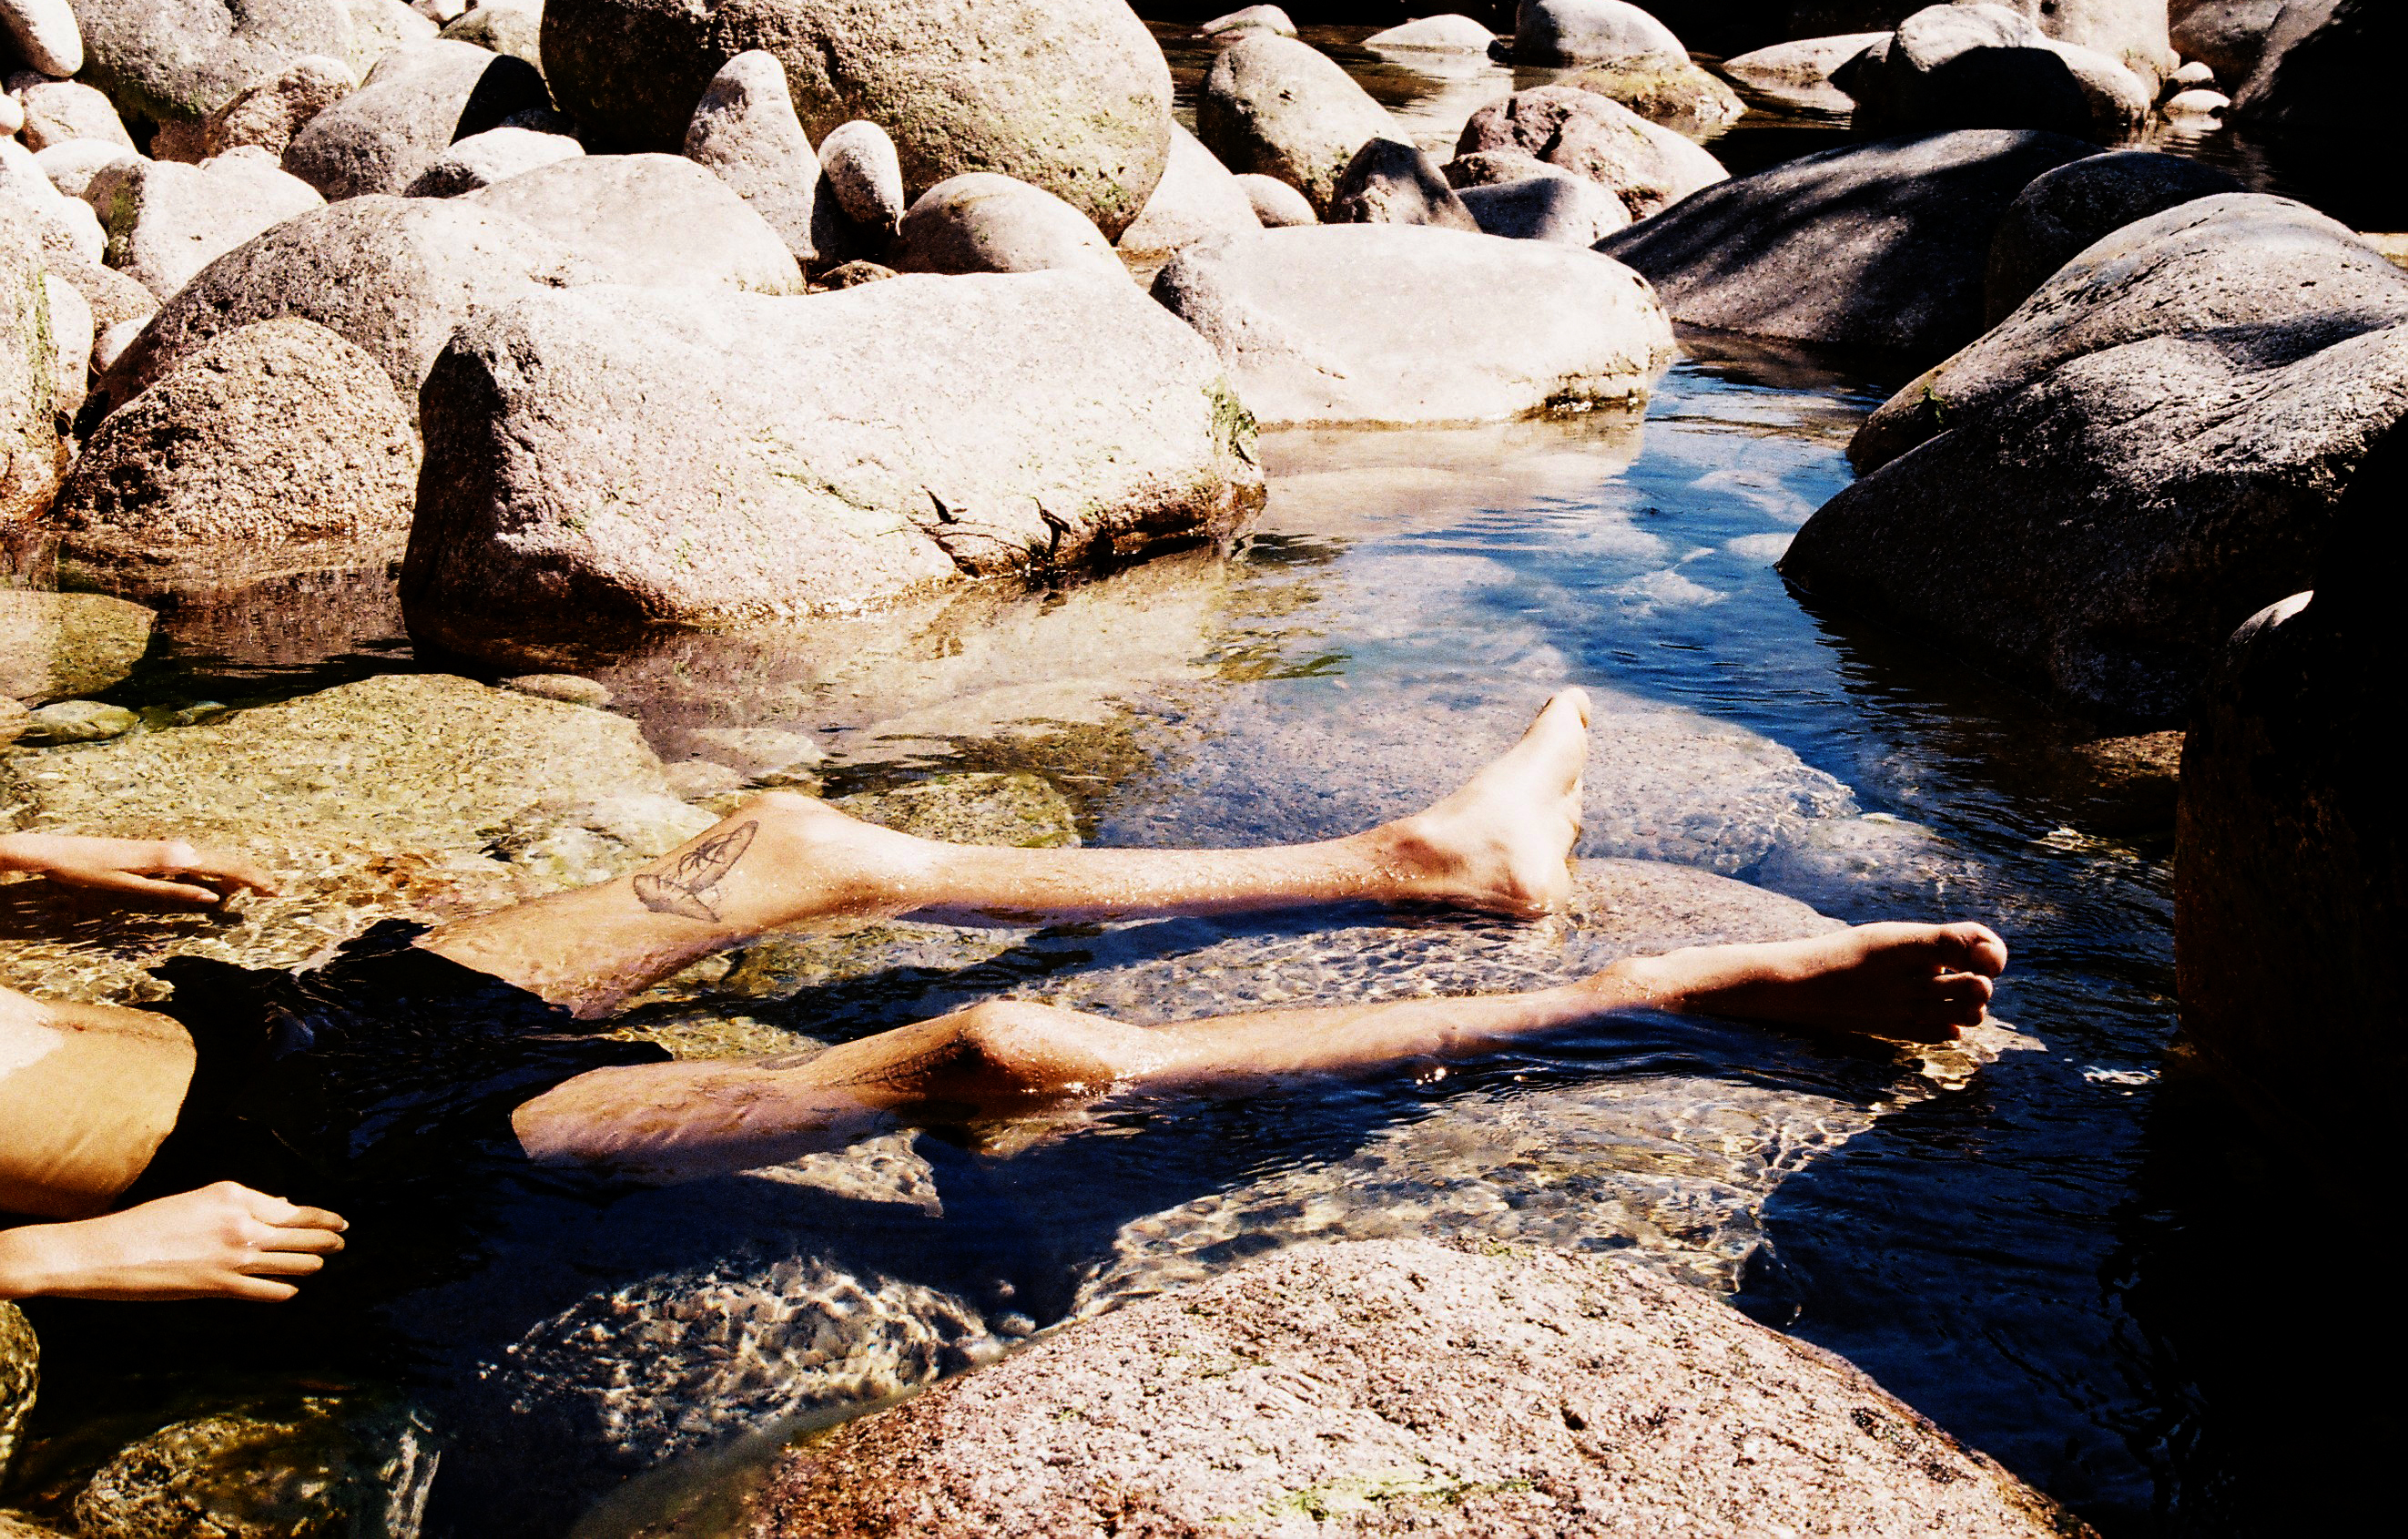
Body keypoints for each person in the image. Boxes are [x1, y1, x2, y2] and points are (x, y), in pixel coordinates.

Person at [0, 690, 2004, 1304]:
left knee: (807, 847)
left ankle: (1417, 865)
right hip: (322, 1158)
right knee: (1000, 1054)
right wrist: (79, 1272)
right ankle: (1681, 983)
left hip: (288, 1023)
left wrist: (46, 863)